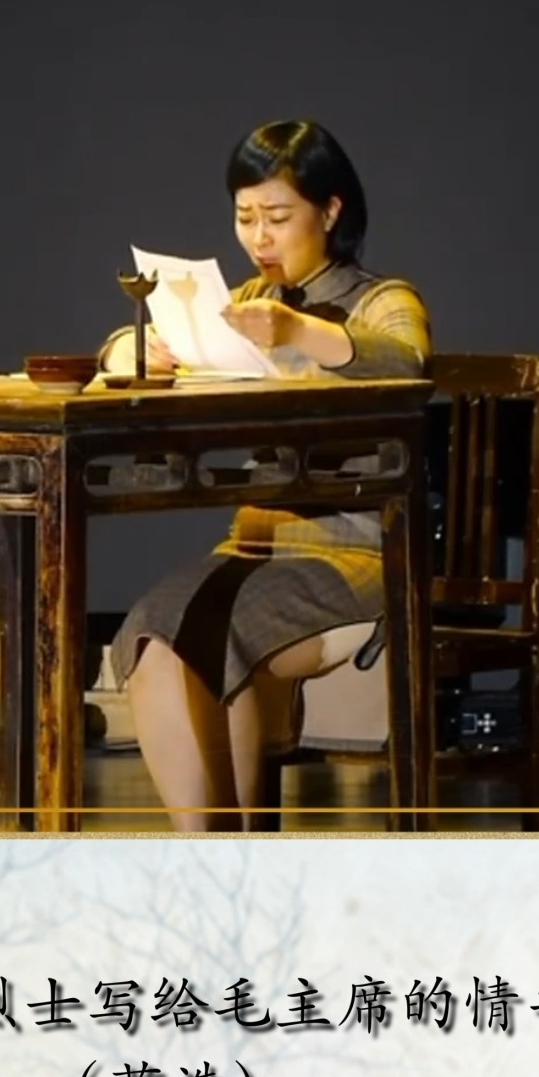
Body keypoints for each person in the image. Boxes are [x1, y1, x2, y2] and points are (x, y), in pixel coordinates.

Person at [99, 118, 431, 832]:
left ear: (330, 211)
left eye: (277, 218)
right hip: (254, 545)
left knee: (211, 631)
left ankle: (227, 856)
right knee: (155, 628)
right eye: (245, 217)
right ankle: (213, 854)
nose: (259, 238)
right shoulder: (248, 299)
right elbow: (147, 343)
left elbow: (404, 362)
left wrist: (299, 332)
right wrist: (133, 351)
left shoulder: (383, 300)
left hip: (359, 550)